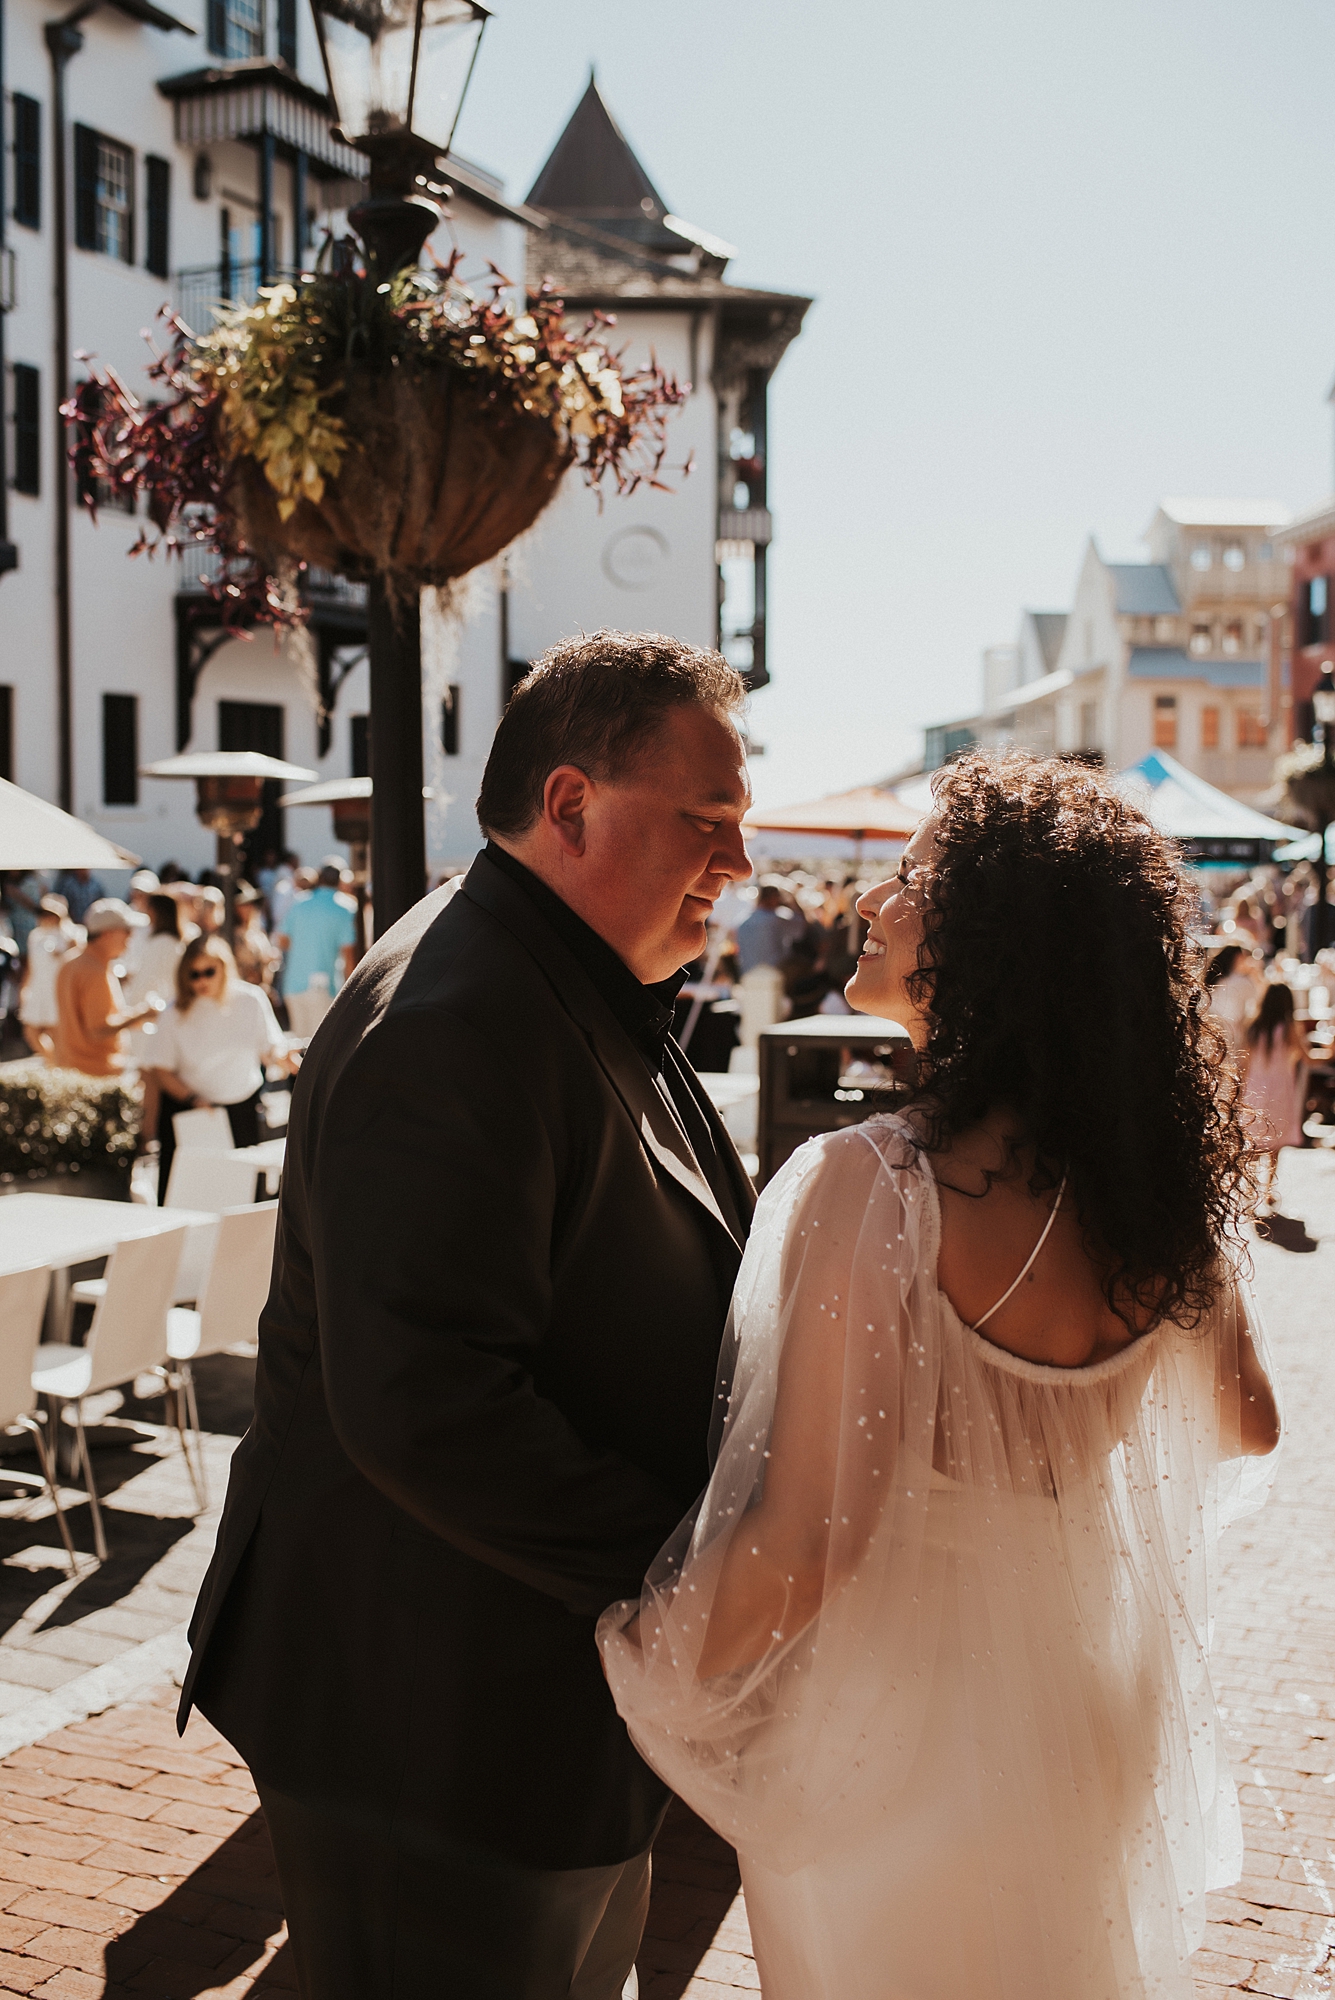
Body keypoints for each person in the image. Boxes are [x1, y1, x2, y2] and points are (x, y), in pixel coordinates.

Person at [602, 750, 1280, 2000]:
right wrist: (1056, 1433)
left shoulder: (880, 1187)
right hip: (1083, 1709)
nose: (873, 899)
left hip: (897, 1729)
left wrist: (645, 1656)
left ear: (989, 938)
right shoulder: (1157, 1193)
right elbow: (1250, 1420)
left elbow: (812, 1536)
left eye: (911, 875)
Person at [180, 631, 756, 2000]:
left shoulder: (553, 974)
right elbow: (425, 1402)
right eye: (707, 822)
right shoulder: (458, 1013)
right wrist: (692, 1579)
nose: (734, 866)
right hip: (431, 1721)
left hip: (517, 1701)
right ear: (569, 807)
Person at [148, 935, 291, 1202]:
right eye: (194, 974)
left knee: (242, 1199)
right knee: (191, 1197)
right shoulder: (174, 1012)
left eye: (209, 972)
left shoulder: (250, 999)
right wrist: (193, 1099)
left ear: (224, 968)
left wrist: (286, 1058)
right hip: (194, 1113)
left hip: (242, 1107)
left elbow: (271, 1047)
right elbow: (161, 1070)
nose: (201, 981)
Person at [51, 898, 161, 1076]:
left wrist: (131, 1019)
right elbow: (97, 1029)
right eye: (126, 931)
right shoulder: (93, 970)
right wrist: (143, 1013)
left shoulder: (71, 961)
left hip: (71, 1067)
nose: (131, 936)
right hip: (95, 1071)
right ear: (108, 934)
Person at [1240, 981, 1309, 1213]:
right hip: (1280, 1090)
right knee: (1275, 1145)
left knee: (1254, 1142)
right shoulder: (1289, 1027)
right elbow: (1306, 1057)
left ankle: (1250, 1190)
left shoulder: (1254, 1026)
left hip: (1255, 1089)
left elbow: (1245, 1063)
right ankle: (1268, 1189)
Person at [278, 860, 359, 1038]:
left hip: (293, 985)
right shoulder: (346, 907)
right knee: (320, 1049)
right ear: (339, 881)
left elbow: (282, 940)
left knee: (299, 1046)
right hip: (324, 986)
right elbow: (348, 954)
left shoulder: (299, 902)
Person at [18, 894, 82, 1056]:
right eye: (42, 913)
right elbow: (30, 967)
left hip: (58, 991)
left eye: (49, 913)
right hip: (39, 989)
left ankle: (57, 1067)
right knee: (31, 1031)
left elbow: (79, 965)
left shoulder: (71, 935)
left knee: (57, 1032)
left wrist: (64, 955)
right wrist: (23, 989)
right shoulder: (35, 936)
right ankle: (51, 1061)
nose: (44, 917)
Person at [1203, 940, 1262, 1061]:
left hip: (1210, 1034)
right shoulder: (1242, 982)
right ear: (1238, 958)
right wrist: (1256, 975)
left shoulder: (1214, 980)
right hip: (1232, 1036)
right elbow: (1262, 999)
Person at [232, 884, 282, 992]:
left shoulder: (257, 931)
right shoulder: (233, 935)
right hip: (244, 989)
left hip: (262, 989)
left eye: (251, 903)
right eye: (244, 904)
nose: (249, 908)